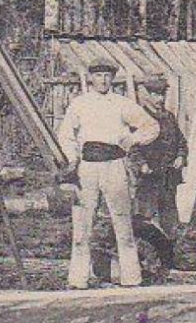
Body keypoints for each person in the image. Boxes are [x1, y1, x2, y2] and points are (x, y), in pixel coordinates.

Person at [56, 59, 160, 289]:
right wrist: (73, 158)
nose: (102, 80)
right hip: (87, 167)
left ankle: (131, 278)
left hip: (114, 165)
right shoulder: (79, 104)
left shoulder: (122, 104)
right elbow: (65, 135)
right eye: (98, 75)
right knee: (82, 225)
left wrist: (132, 139)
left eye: (107, 75)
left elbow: (152, 127)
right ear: (91, 78)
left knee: (123, 223)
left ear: (112, 78)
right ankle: (78, 279)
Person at [130, 74, 186, 244]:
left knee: (169, 216)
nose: (159, 99)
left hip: (168, 176)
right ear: (147, 95)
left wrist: (181, 156)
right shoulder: (139, 118)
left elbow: (181, 141)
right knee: (144, 217)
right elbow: (132, 146)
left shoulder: (169, 118)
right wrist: (142, 165)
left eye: (162, 94)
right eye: (155, 94)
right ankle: (144, 253)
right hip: (149, 177)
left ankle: (169, 253)